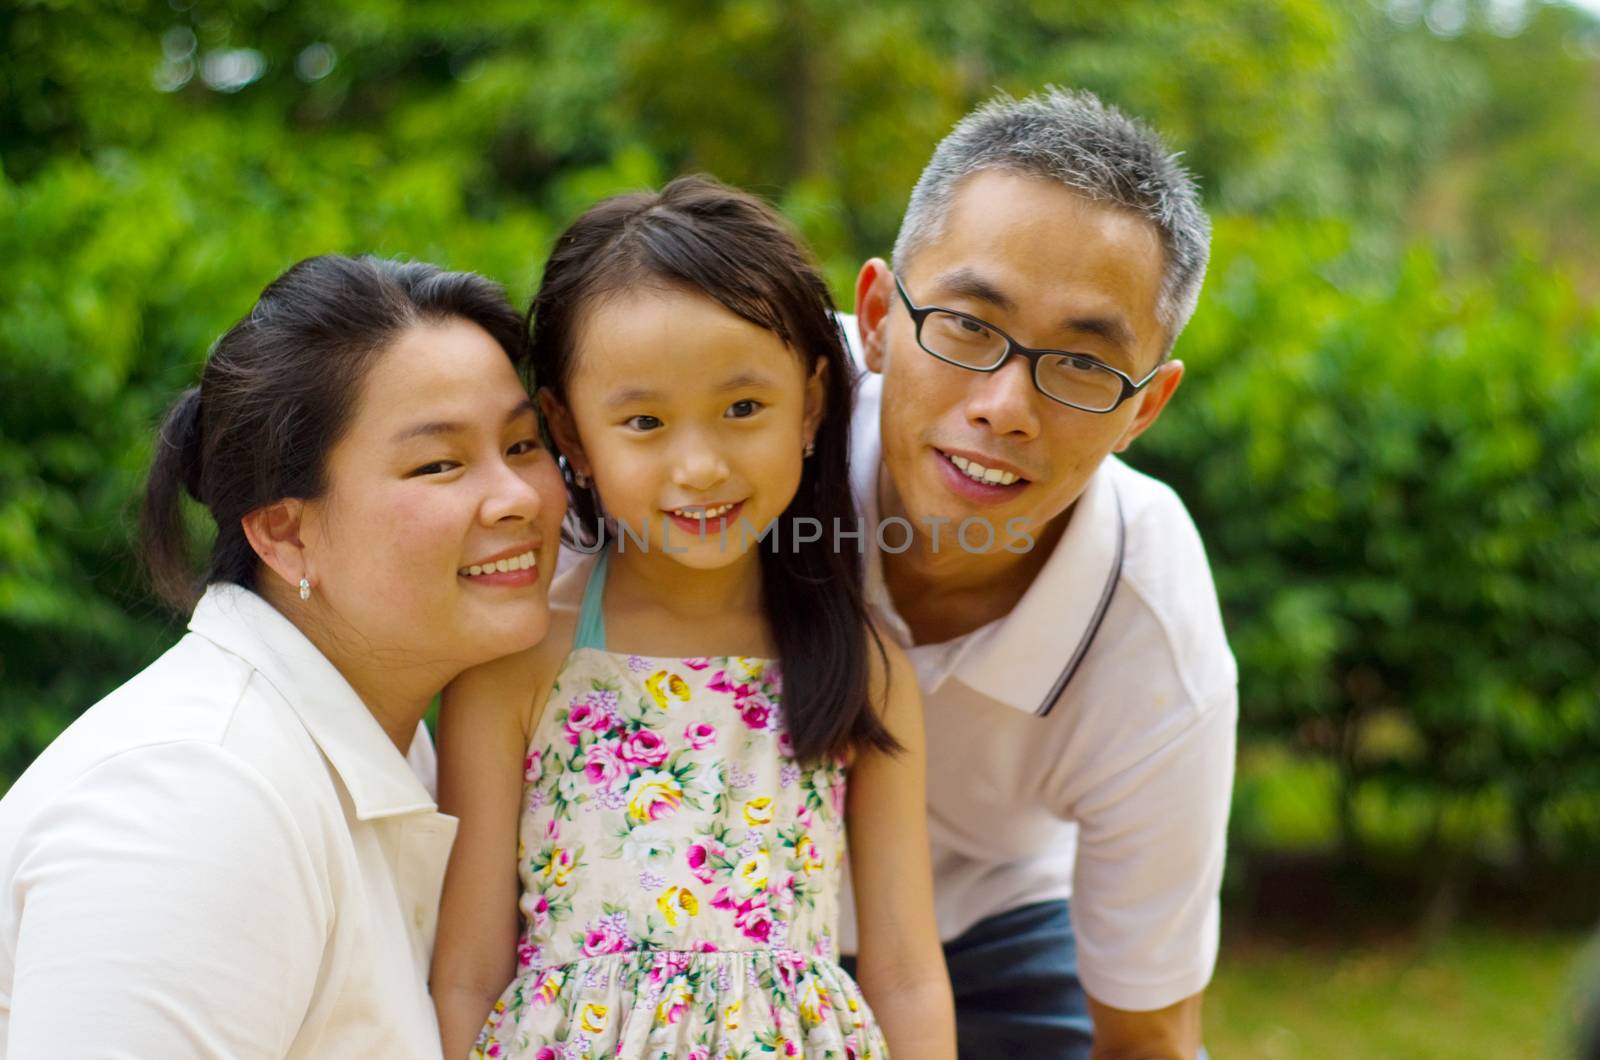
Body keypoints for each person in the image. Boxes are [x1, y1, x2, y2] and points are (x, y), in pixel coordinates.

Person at [429, 176, 956, 1060]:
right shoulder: (520, 664)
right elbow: (465, 973)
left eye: (743, 408)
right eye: (644, 421)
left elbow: (904, 971)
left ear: (813, 404)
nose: (701, 465)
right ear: (569, 429)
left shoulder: (865, 668)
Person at [0, 255, 567, 1057]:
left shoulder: (397, 749)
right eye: (438, 464)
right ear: (286, 533)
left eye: (521, 444)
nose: (516, 497)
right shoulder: (197, 793)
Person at [837, 88, 1238, 1058]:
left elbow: (1147, 1038)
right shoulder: (736, 424)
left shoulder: (1154, 634)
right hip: (686, 900)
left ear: (1144, 410)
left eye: (1085, 366)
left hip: (981, 931)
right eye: (969, 325)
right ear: (878, 316)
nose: (1005, 406)